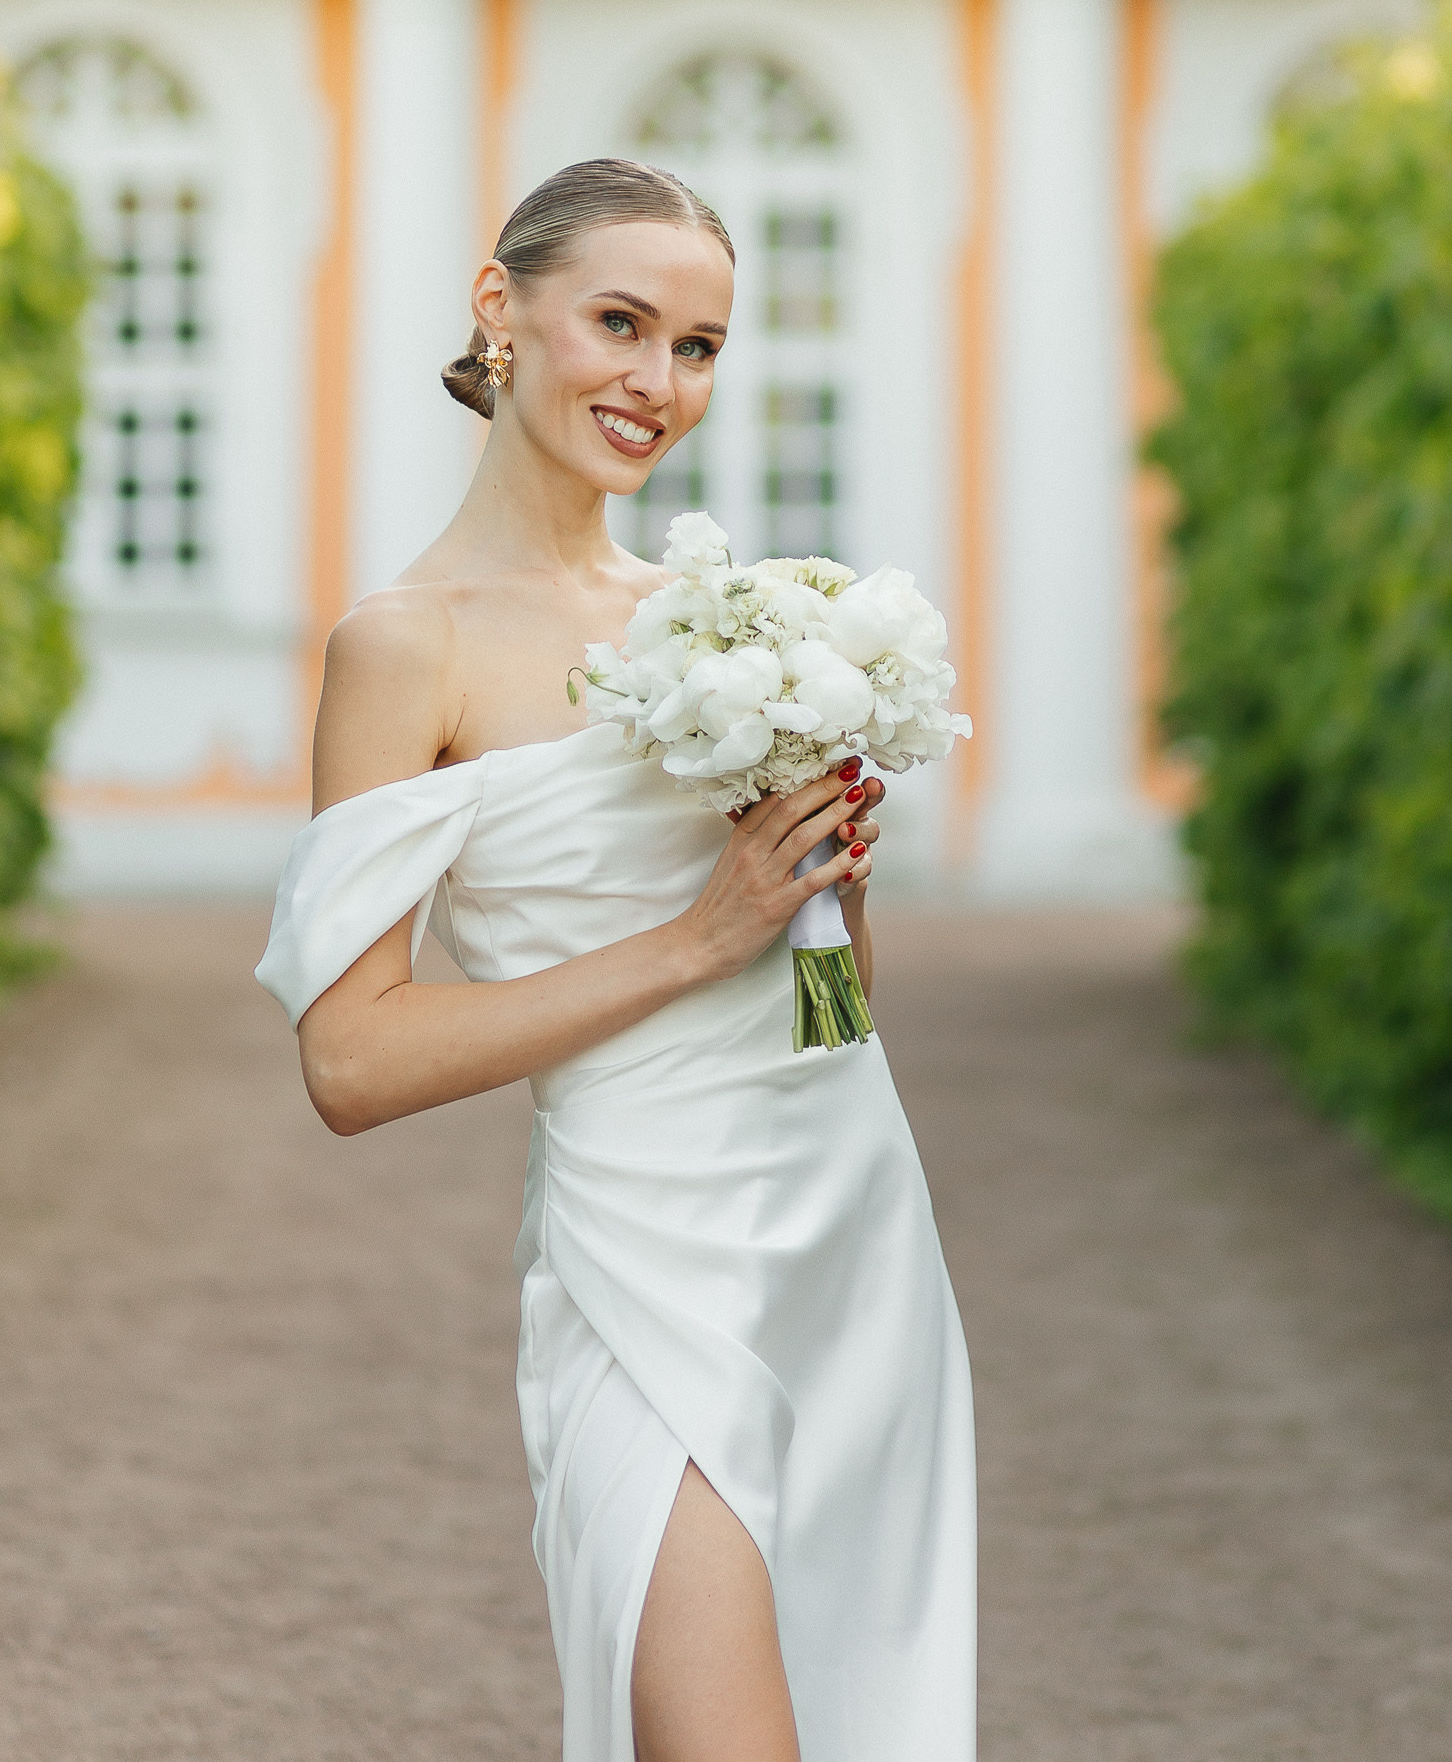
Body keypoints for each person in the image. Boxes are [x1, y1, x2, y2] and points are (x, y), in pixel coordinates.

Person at [256, 158, 976, 1762]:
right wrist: (699, 933)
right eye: (622, 323)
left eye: (701, 346)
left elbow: (833, 1016)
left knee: (868, 1710)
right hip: (641, 1248)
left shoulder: (726, 620)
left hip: (845, 1221)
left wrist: (828, 890)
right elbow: (350, 1065)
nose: (659, 382)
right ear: (499, 310)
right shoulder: (406, 644)